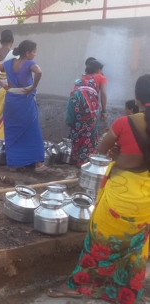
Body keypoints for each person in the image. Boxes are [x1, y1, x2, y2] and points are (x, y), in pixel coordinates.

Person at [47, 74, 150, 303]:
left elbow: (100, 150)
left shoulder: (126, 122)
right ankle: (127, 292)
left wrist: (118, 152)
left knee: (100, 241)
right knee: (135, 248)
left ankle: (79, 285)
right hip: (146, 202)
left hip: (120, 197)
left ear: (136, 96)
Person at [0, 40, 48, 172]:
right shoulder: (30, 63)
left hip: (11, 100)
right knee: (32, 130)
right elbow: (39, 72)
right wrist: (33, 87)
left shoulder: (8, 64)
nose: (35, 55)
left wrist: (1, 83)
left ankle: (14, 163)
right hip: (24, 100)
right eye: (34, 52)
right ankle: (38, 165)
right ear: (27, 52)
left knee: (12, 131)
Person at [66, 60, 108, 167]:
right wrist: (104, 111)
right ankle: (85, 161)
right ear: (98, 70)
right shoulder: (100, 77)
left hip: (74, 104)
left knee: (77, 129)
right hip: (89, 107)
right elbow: (103, 94)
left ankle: (75, 158)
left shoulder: (82, 78)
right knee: (89, 131)